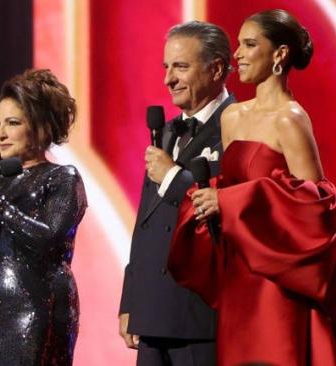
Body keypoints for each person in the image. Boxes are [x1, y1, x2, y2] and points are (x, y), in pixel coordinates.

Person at [167, 10, 336, 366]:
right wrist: (207, 199)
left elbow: (316, 204)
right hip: (240, 274)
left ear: (280, 55)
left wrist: (229, 199)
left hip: (279, 281)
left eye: (250, 44)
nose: (237, 54)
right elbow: (228, 185)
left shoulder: (291, 118)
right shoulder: (232, 116)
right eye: (238, 44)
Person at [0, 69, 87, 366]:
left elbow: (47, 240)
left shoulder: (63, 178)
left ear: (42, 127)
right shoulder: (0, 184)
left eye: (13, 123)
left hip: (37, 312)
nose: (1, 134)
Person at [118, 21, 235, 365]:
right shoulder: (166, 132)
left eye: (181, 67)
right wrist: (131, 300)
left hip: (201, 313)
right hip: (153, 312)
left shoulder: (239, 124)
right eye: (166, 67)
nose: (168, 79)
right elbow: (146, 221)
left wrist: (172, 175)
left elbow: (232, 209)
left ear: (216, 69)